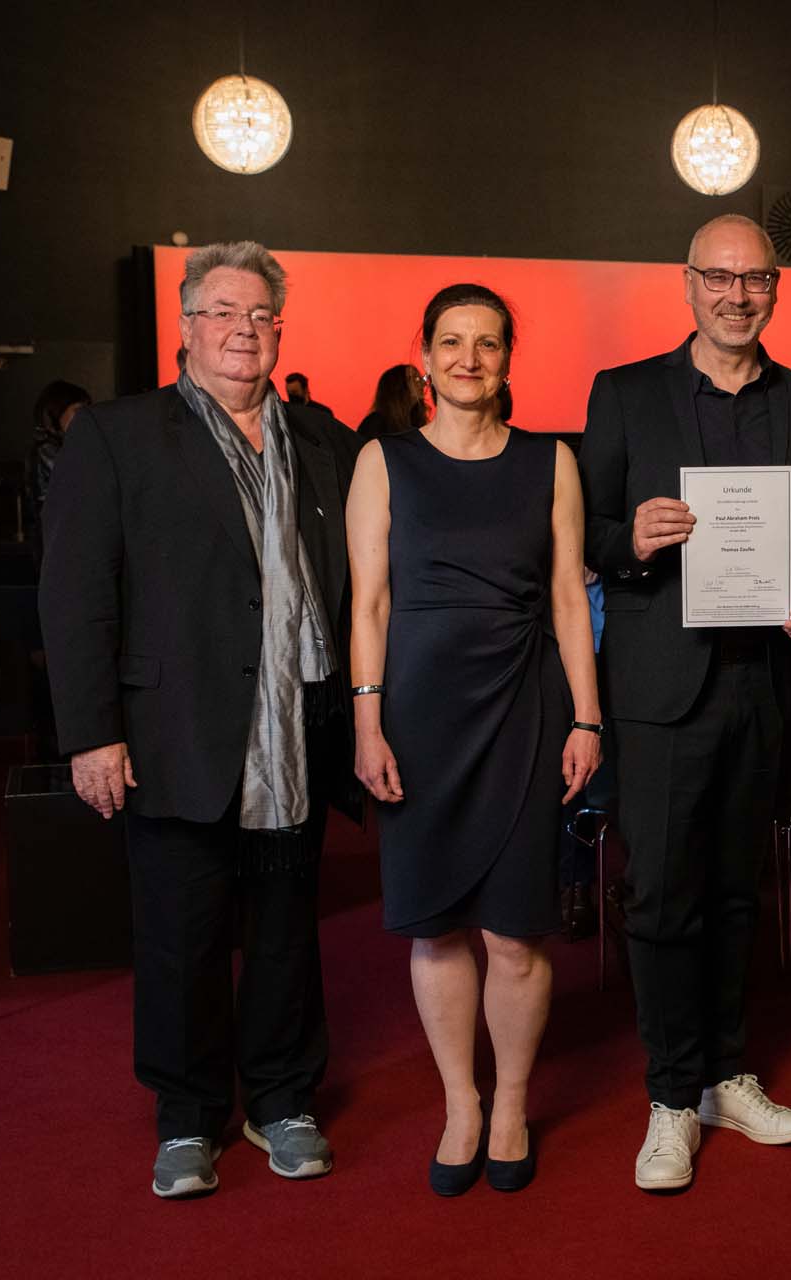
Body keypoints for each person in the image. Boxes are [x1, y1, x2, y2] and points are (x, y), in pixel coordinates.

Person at [40, 241, 358, 1199]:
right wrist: (92, 732)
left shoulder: (321, 440)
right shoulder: (117, 436)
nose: (243, 332)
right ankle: (185, 1118)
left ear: (278, 332)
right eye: (223, 312)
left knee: (285, 929)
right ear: (184, 327)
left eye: (260, 316)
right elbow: (76, 593)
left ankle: (282, 1099)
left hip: (293, 732)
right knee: (179, 933)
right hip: (175, 730)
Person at [578, 213, 791, 1192]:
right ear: (686, 283)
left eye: (756, 280)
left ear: (777, 287)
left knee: (739, 888)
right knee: (660, 895)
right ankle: (669, 1092)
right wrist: (632, 539)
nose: (737, 295)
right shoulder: (625, 393)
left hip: (762, 682)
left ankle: (729, 1073)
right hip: (660, 684)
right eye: (719, 278)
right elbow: (587, 534)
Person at [345, 284, 602, 1196]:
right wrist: (367, 720)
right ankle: (461, 1101)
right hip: (418, 713)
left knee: (517, 933)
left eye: (486, 344)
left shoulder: (550, 460)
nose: (468, 359)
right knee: (436, 929)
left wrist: (587, 715)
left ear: (507, 360)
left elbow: (571, 598)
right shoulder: (383, 461)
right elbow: (368, 602)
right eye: (451, 342)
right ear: (424, 355)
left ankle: (512, 1104)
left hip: (525, 707)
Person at [24, 379, 90, 547]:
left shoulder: (58, 447)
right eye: (78, 411)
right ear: (56, 412)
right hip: (58, 541)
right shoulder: (47, 450)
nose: (85, 418)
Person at [355, 364, 429, 445]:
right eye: (414, 378)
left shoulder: (416, 424)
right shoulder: (375, 423)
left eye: (420, 378)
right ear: (397, 386)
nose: (423, 383)